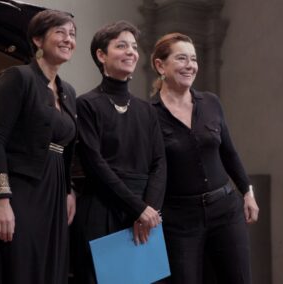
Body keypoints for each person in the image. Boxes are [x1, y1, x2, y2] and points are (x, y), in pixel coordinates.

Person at [0, 9, 77, 284]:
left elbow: (65, 150)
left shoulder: (69, 91)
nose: (68, 39)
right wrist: (1, 200)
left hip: (54, 197)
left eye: (72, 34)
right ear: (37, 40)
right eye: (60, 32)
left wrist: (69, 191)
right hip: (20, 193)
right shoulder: (17, 77)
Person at [150, 33, 259, 284]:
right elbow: (151, 168)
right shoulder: (149, 114)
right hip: (179, 219)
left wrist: (247, 191)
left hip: (225, 210)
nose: (190, 65)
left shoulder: (211, 102)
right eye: (181, 58)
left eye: (194, 59)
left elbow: (229, 152)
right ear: (160, 65)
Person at [73, 21, 166, 283]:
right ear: (101, 55)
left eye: (134, 47)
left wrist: (149, 210)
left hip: (145, 214)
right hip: (102, 208)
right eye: (121, 45)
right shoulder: (87, 104)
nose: (131, 52)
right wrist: (138, 208)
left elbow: (159, 162)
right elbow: (94, 163)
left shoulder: (147, 110)